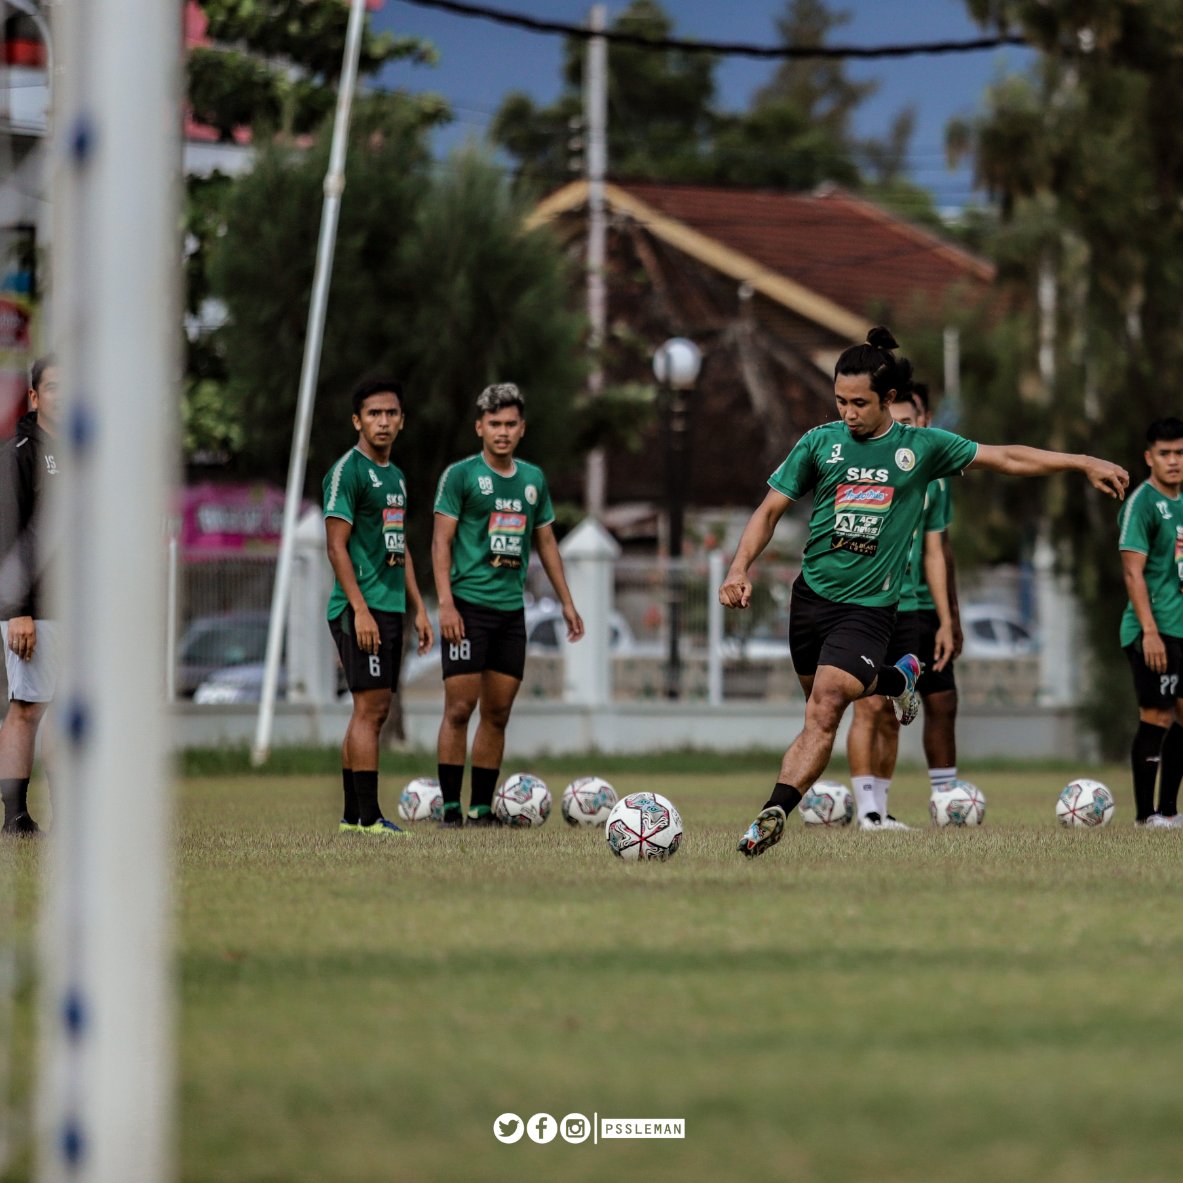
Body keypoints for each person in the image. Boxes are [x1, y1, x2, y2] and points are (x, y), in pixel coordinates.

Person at [721, 326, 1128, 859]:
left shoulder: (922, 448)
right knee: (819, 708)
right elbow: (769, 510)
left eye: (860, 403)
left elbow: (1006, 458)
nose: (848, 412)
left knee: (826, 709)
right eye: (840, 401)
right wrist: (738, 567)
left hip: (868, 609)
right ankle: (898, 676)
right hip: (811, 599)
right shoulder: (819, 443)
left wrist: (1082, 462)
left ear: (889, 399)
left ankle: (769, 816)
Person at [432, 383, 584, 828]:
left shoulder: (533, 480)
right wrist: (445, 603)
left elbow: (547, 543)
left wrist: (568, 603)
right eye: (494, 424)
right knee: (459, 708)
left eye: (510, 424)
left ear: (522, 429)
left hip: (509, 613)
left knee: (497, 712)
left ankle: (481, 809)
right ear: (480, 427)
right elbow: (440, 542)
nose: (502, 431)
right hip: (467, 608)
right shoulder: (460, 476)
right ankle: (450, 808)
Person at [323, 377, 433, 836]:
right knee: (370, 710)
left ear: (401, 420)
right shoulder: (347, 472)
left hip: (390, 606)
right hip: (360, 608)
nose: (382, 421)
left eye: (390, 414)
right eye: (373, 414)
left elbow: (398, 546)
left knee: (373, 709)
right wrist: (360, 609)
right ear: (357, 420)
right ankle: (369, 819)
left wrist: (419, 608)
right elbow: (336, 547)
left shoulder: (396, 477)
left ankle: (353, 817)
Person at [844, 384, 956, 830]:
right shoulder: (864, 466)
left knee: (893, 710)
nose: (903, 432)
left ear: (924, 421)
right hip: (864, 603)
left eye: (911, 424)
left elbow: (935, 553)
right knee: (866, 707)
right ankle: (866, 809)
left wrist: (946, 620)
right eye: (898, 424)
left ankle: (881, 809)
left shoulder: (936, 480)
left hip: (908, 606)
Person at [0, 356, 60, 836]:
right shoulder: (18, 453)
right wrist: (17, 611)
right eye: (55, 387)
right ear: (36, 397)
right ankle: (15, 817)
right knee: (27, 708)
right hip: (34, 611)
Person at [1117, 417, 1183, 828]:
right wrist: (1151, 633)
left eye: (1179, 453)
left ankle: (1170, 812)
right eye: (1165, 453)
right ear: (1149, 457)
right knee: (1157, 715)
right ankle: (1145, 816)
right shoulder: (1141, 504)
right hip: (1152, 631)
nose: (1173, 461)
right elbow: (1132, 574)